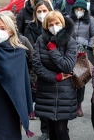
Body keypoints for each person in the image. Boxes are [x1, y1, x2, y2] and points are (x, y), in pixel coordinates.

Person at [33, 11, 77, 140]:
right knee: (51, 129)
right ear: (46, 26)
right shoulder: (41, 41)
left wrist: (53, 50)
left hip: (64, 92)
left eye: (57, 23)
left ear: (62, 23)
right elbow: (37, 65)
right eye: (50, 24)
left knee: (61, 129)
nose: (54, 26)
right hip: (46, 90)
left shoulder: (70, 41)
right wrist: (55, 77)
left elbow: (67, 66)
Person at [24, 0, 53, 140]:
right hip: (40, 68)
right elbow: (32, 48)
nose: (42, 14)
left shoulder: (55, 25)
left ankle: (57, 128)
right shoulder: (30, 27)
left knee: (55, 101)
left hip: (54, 67)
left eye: (44, 11)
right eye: (39, 11)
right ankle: (45, 130)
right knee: (42, 102)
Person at [69, 0, 94, 117]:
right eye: (77, 9)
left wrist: (88, 47)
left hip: (83, 53)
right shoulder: (68, 19)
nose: (79, 11)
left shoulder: (90, 20)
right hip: (70, 51)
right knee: (70, 79)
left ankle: (79, 104)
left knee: (80, 79)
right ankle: (70, 104)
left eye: (81, 9)